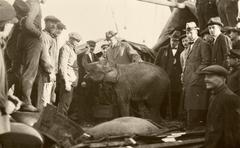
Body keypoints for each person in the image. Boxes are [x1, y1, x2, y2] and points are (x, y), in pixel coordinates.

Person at [198, 65, 240, 148]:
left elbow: (233, 133)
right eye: (205, 76)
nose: (205, 79)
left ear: (223, 79)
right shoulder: (214, 95)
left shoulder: (229, 98)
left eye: (209, 76)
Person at [17, 0, 46, 112]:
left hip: (23, 39)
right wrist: (39, 34)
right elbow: (28, 24)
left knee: (19, 72)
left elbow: (23, 23)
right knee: (30, 72)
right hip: (32, 41)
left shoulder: (27, 3)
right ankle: (26, 102)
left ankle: (19, 101)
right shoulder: (35, 4)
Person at [183, 22, 211, 129]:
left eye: (191, 31)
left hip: (197, 82)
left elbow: (206, 62)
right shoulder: (190, 46)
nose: (188, 34)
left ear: (196, 31)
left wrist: (195, 75)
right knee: (190, 106)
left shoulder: (203, 44)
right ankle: (190, 127)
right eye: (187, 32)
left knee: (196, 106)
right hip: (189, 81)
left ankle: (195, 129)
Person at [154, 30, 183, 119]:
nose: (174, 42)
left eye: (176, 40)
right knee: (163, 98)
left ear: (179, 41)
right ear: (170, 40)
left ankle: (174, 118)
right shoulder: (163, 50)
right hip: (163, 79)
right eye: (172, 40)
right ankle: (162, 118)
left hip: (176, 81)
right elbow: (156, 64)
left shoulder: (183, 50)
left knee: (175, 99)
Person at [37, 15, 60, 110]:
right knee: (43, 99)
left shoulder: (52, 37)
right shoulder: (45, 36)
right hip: (45, 72)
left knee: (47, 99)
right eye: (51, 23)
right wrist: (50, 72)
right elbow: (45, 56)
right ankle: (39, 121)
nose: (53, 25)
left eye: (55, 24)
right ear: (45, 23)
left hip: (50, 73)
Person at [58, 32, 81, 115]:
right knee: (64, 103)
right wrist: (66, 82)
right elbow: (63, 66)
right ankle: (60, 121)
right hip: (67, 79)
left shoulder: (72, 49)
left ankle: (62, 120)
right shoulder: (66, 48)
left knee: (67, 102)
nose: (77, 43)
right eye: (76, 40)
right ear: (71, 39)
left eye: (78, 41)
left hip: (72, 79)